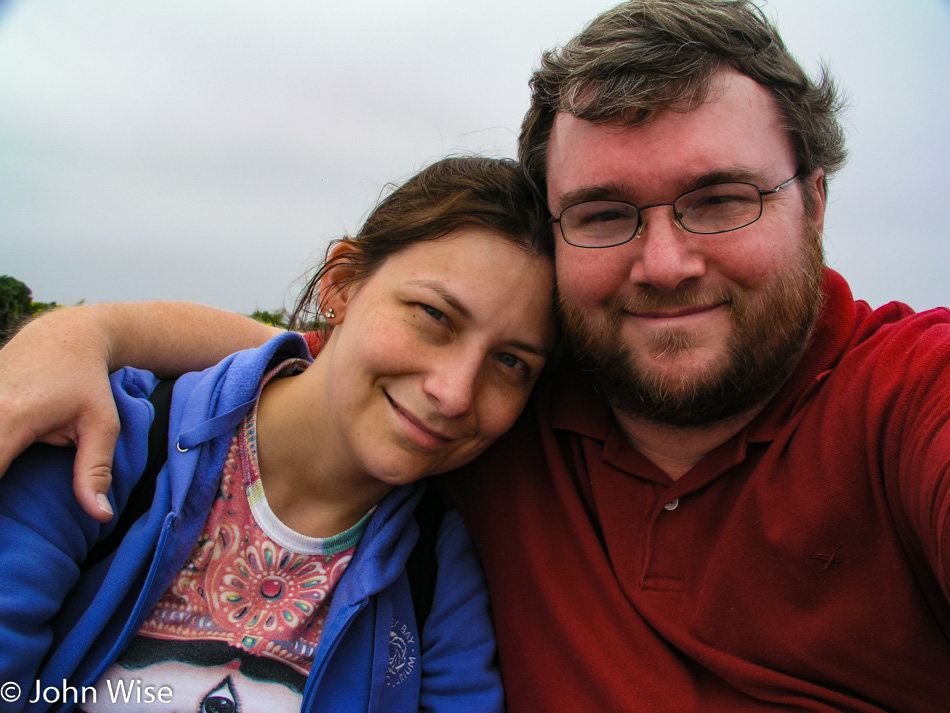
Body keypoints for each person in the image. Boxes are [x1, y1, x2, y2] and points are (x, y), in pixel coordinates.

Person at [1, 1, 949, 711]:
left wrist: (94, 329)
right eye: (606, 213)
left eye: (720, 197)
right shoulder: (513, 407)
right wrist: (84, 333)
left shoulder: (909, 399)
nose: (664, 263)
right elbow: (325, 374)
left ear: (814, 201)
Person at [0, 156, 558, 713]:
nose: (455, 393)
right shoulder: (115, 438)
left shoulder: (438, 562)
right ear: (340, 286)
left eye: (510, 362)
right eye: (434, 315)